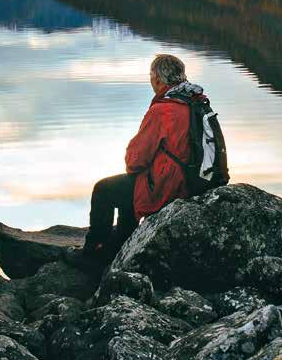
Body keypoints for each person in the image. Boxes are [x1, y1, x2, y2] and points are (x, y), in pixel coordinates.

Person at [80, 53, 206, 265]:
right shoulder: (197, 103)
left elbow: (136, 159)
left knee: (104, 189)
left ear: (157, 79)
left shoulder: (162, 110)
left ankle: (92, 253)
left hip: (169, 187)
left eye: (151, 75)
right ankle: (119, 247)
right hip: (193, 182)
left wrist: (135, 164)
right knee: (131, 186)